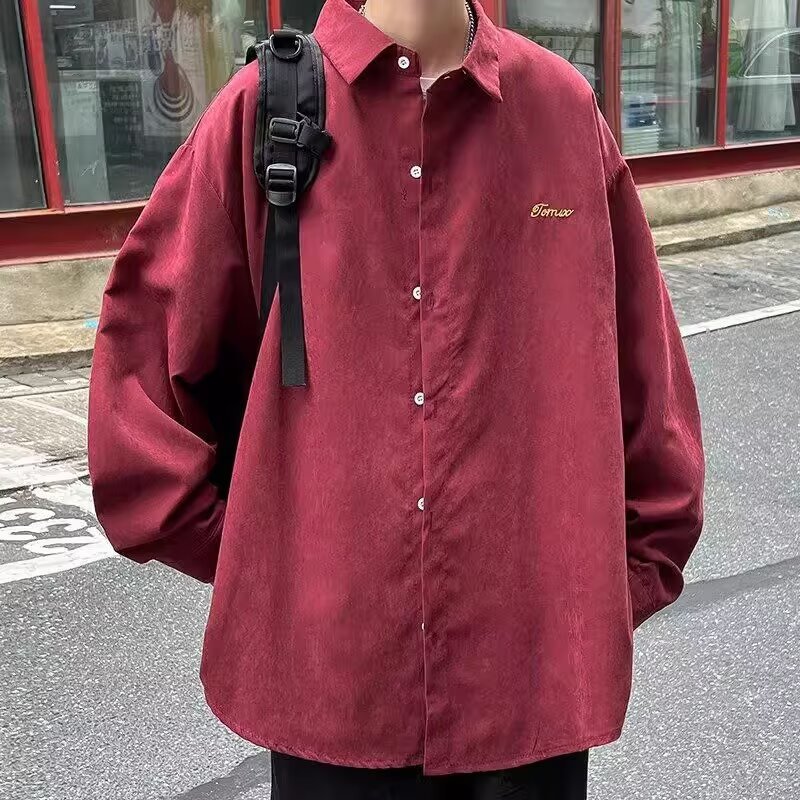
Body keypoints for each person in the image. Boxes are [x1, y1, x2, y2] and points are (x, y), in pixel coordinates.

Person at [87, 1, 706, 798]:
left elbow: (649, 390)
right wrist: (270, 570)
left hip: (531, 686)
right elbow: (139, 380)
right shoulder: (264, 112)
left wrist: (596, 597)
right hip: (334, 699)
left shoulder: (560, 112)